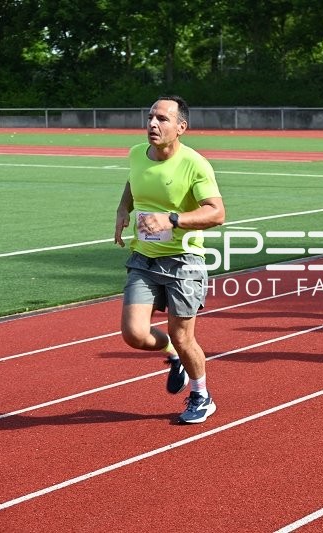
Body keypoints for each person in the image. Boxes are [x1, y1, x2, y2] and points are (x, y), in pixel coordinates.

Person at [114, 95, 226, 424]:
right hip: (144, 256)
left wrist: (172, 220)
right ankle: (173, 355)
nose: (152, 124)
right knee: (134, 334)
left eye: (162, 119)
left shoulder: (196, 164)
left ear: (180, 128)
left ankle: (201, 395)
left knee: (182, 335)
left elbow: (217, 213)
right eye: (150, 117)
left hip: (184, 261)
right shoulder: (137, 154)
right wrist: (123, 208)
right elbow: (134, 181)